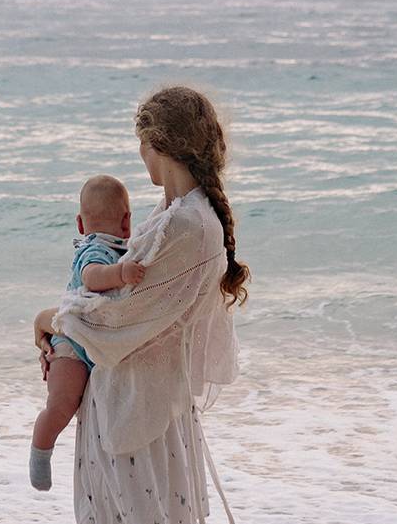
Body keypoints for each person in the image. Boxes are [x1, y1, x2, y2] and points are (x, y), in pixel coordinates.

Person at [33, 86, 248, 524]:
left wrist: (50, 321)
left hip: (139, 420)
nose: (139, 154)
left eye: (141, 143)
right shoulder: (171, 214)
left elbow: (116, 320)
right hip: (131, 406)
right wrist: (65, 333)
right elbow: (118, 307)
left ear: (159, 145)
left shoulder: (187, 225)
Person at [30, 175, 146, 491]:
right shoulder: (94, 248)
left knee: (82, 400)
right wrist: (120, 273)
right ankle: (41, 449)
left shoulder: (125, 249)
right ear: (127, 221)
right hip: (69, 342)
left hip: (90, 339)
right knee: (63, 402)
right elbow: (91, 277)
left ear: (80, 222)